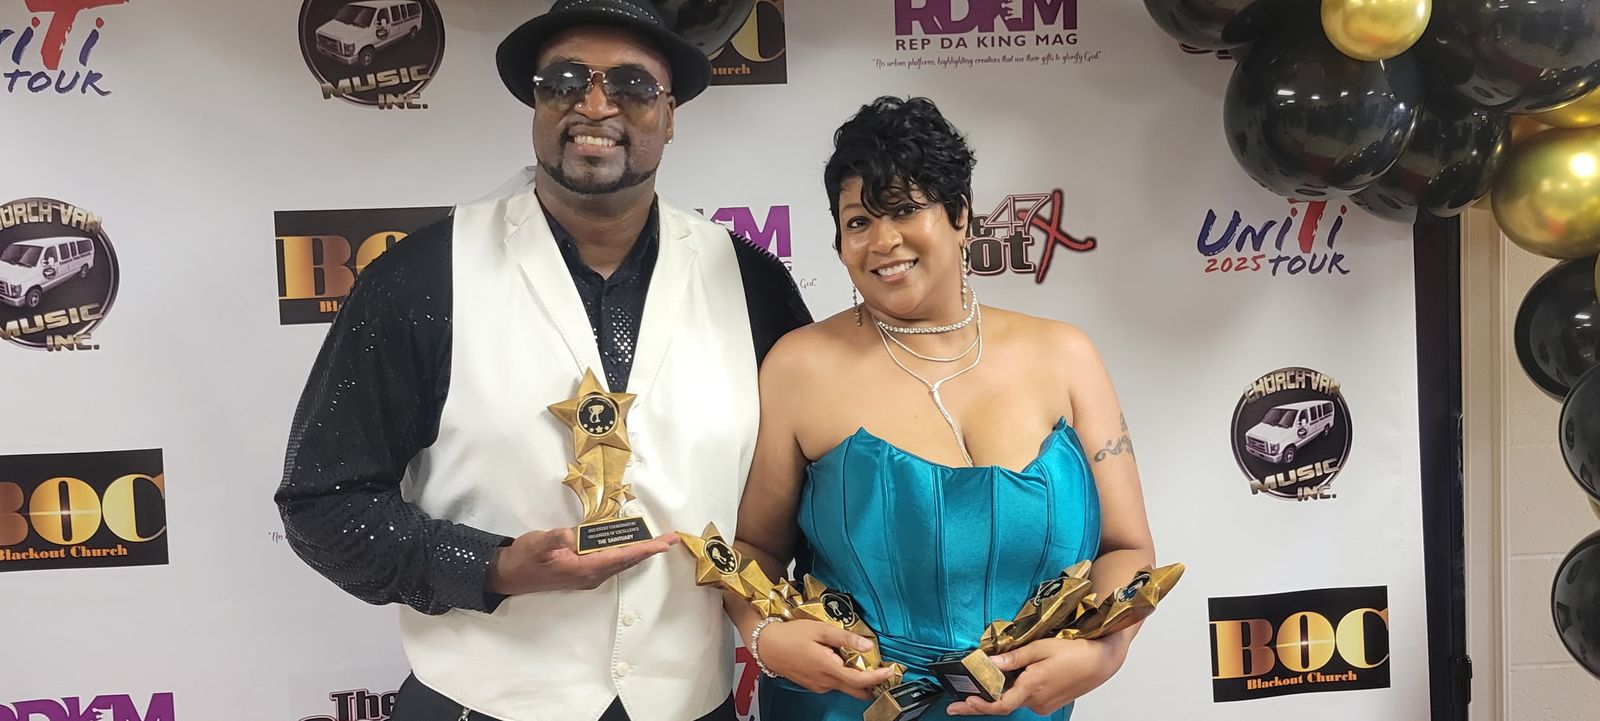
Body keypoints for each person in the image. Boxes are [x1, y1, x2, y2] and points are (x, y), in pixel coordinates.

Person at [273, 2, 811, 720]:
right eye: (565, 82)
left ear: (671, 114)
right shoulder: (422, 277)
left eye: (632, 85)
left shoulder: (750, 282)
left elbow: (816, 490)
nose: (596, 105)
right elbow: (322, 502)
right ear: (536, 103)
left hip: (691, 702)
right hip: (479, 705)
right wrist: (491, 566)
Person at [726, 96, 1157, 720]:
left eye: (905, 209)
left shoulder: (1066, 355)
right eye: (858, 221)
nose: (883, 241)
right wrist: (764, 636)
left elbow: (1128, 549)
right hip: (844, 707)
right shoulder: (800, 365)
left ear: (960, 214)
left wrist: (1105, 649)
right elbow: (753, 549)